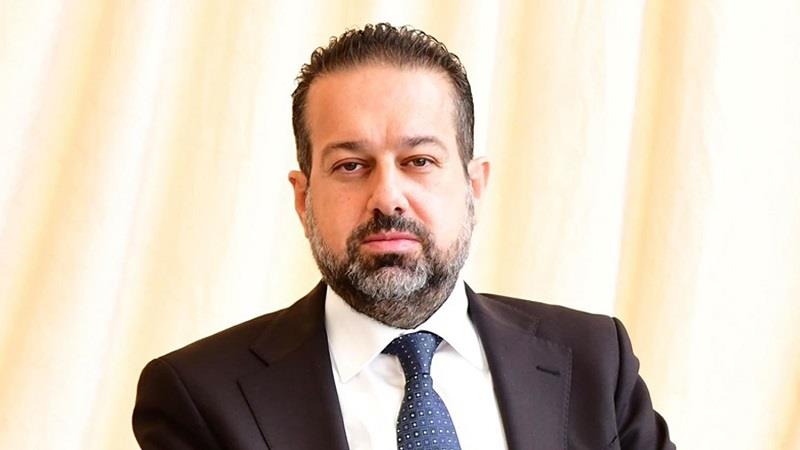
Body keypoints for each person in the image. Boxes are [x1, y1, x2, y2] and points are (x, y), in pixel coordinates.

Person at [133, 23, 675, 450]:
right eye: (350, 166)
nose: (387, 197)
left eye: (419, 160)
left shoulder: (595, 361)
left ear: (474, 186)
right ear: (303, 197)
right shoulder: (199, 396)